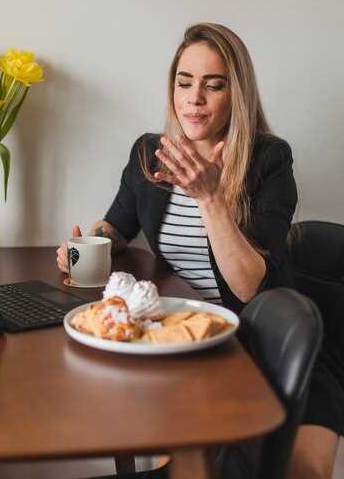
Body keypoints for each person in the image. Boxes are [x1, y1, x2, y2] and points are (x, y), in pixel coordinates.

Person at [57, 23, 342, 479]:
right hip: (193, 344)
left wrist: (210, 197)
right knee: (191, 464)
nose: (195, 98)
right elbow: (117, 226)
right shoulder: (151, 154)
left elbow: (251, 286)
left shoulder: (270, 160)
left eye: (214, 85)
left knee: (300, 472)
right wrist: (90, 245)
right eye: (184, 81)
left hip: (274, 344)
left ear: (237, 94)